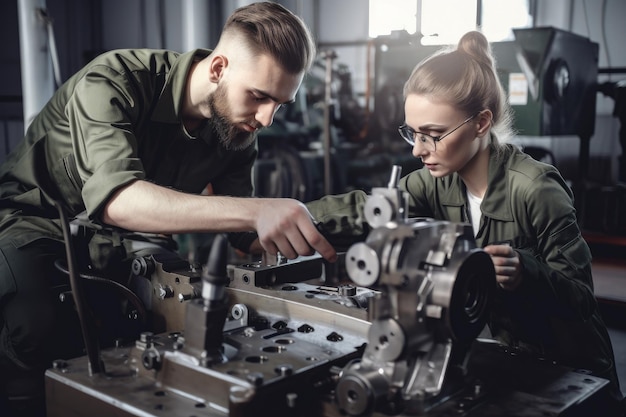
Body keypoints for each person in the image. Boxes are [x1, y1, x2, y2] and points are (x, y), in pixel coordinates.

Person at [0, 2, 336, 416]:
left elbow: (245, 232)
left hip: (124, 240)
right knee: (39, 325)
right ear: (218, 69)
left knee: (177, 311)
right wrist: (257, 211)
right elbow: (118, 201)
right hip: (34, 221)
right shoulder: (114, 80)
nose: (267, 118)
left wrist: (343, 220)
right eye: (259, 96)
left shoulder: (236, 131)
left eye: (280, 104)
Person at [305, 31, 625, 415]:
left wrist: (528, 271)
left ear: (480, 123)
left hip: (578, 374)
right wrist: (289, 218)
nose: (417, 149)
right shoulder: (435, 181)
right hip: (513, 358)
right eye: (413, 132)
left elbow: (582, 298)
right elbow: (365, 209)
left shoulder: (535, 189)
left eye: (433, 135)